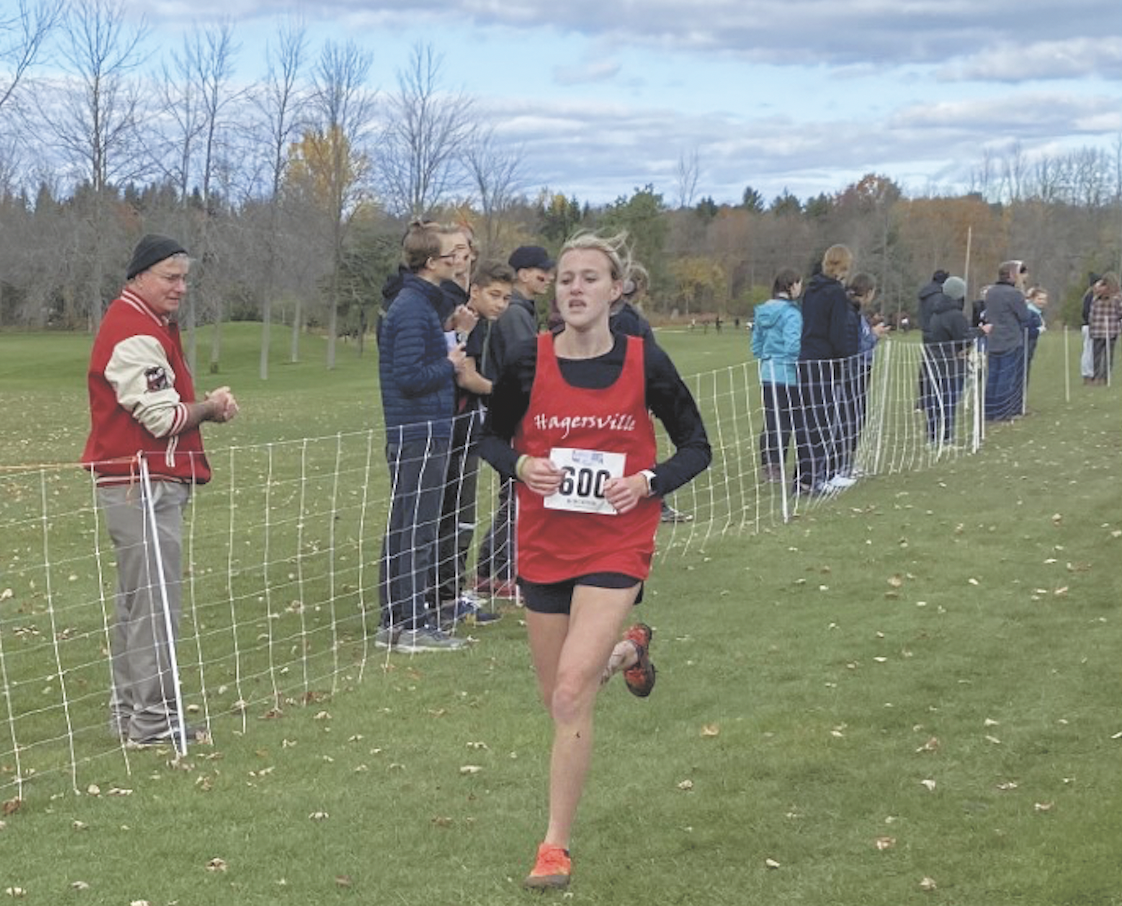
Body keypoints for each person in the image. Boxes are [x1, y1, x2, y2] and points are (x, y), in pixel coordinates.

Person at [479, 231, 710, 890]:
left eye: (590, 278)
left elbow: (697, 445)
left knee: (572, 692)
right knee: (559, 697)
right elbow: (491, 440)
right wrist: (522, 463)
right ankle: (628, 653)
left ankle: (554, 845)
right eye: (567, 278)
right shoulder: (527, 360)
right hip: (545, 543)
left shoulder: (645, 361)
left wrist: (650, 483)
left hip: (617, 539)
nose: (576, 288)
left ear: (616, 290)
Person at [82, 233, 239, 747]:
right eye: (170, 277)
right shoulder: (133, 332)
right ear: (139, 277)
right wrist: (210, 408)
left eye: (185, 278)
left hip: (138, 482)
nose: (181, 288)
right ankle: (151, 722)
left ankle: (131, 714)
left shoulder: (149, 326)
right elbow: (161, 417)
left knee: (137, 603)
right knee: (153, 604)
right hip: (141, 484)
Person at [376, 220, 473, 652]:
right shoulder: (413, 308)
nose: (458, 259)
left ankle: (396, 621)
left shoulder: (419, 304)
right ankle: (413, 623)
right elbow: (409, 375)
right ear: (431, 262)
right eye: (449, 254)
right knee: (415, 527)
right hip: (418, 430)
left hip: (422, 428)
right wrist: (450, 364)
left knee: (407, 524)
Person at [435, 259, 515, 627]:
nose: (500, 304)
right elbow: (466, 377)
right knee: (453, 512)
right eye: (494, 295)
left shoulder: (481, 326)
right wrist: (506, 394)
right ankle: (444, 595)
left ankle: (449, 591)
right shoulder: (467, 324)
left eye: (506, 298)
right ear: (476, 291)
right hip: (454, 426)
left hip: (469, 427)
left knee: (460, 514)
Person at [475, 245, 554, 598]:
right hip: (512, 415)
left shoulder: (522, 310)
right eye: (542, 272)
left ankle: (490, 566)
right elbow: (527, 369)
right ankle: (504, 570)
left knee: (515, 492)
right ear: (523, 273)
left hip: (512, 412)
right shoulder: (516, 314)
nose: (548, 278)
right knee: (517, 493)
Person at [611, 263, 693, 523]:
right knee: (635, 449)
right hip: (629, 395)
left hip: (631, 392)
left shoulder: (623, 315)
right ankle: (652, 502)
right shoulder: (626, 318)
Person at [794, 244, 856, 494]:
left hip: (807, 358)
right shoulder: (836, 294)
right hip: (823, 361)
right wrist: (845, 357)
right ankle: (812, 478)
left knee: (812, 419)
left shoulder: (811, 291)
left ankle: (820, 474)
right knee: (821, 421)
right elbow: (837, 333)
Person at [923, 276, 991, 446]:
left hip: (934, 361)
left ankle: (932, 436)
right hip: (952, 364)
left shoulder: (934, 313)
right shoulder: (955, 316)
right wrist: (981, 332)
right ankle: (946, 437)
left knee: (935, 401)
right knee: (949, 402)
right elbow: (963, 339)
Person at [751, 268, 803, 483]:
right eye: (799, 284)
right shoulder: (792, 314)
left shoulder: (763, 311)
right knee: (785, 420)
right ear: (791, 286)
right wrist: (794, 362)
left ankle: (769, 465)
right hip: (787, 373)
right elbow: (793, 345)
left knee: (772, 418)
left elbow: (756, 345)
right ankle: (777, 466)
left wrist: (767, 356)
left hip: (768, 371)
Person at [837, 272, 888, 478]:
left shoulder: (857, 314)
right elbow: (857, 345)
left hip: (860, 371)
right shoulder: (852, 315)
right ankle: (842, 464)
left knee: (856, 416)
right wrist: (874, 336)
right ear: (868, 293)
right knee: (851, 417)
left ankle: (848, 462)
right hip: (854, 371)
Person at [983, 260, 1032, 421]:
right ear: (1012, 275)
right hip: (1010, 339)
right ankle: (1002, 411)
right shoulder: (1014, 294)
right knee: (1006, 376)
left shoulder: (990, 292)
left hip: (993, 339)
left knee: (993, 376)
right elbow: (1024, 316)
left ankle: (989, 410)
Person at [916, 269, 949, 411]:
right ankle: (932, 397)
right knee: (937, 366)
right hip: (936, 332)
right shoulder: (938, 296)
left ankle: (923, 398)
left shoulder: (925, 295)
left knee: (926, 365)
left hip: (926, 332)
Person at [1088, 272, 1122, 384]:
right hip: (1102, 329)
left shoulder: (1116, 298)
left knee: (1102, 355)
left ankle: (1101, 377)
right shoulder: (1101, 295)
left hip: (1107, 329)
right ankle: (1100, 376)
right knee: (1102, 355)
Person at [1023, 285, 1048, 386]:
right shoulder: (1030, 313)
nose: (1042, 301)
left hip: (1030, 347)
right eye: (1039, 299)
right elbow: (1026, 332)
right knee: (1023, 373)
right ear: (1032, 299)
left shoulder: (1037, 313)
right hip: (1025, 347)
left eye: (1044, 299)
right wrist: (1038, 330)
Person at [1080, 273, 1100, 384]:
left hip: (1094, 327)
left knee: (1092, 351)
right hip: (1089, 326)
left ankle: (1092, 373)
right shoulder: (1090, 297)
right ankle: (1087, 374)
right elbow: (1086, 313)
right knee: (1088, 351)